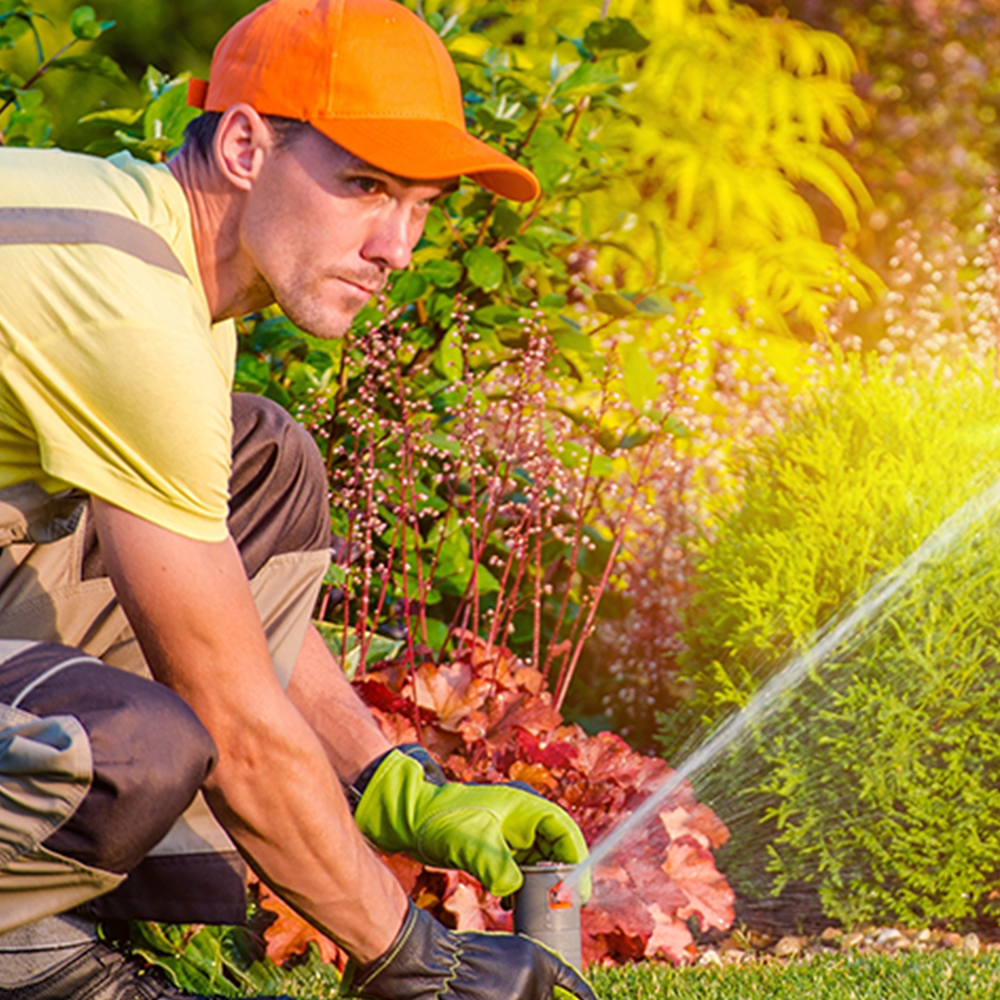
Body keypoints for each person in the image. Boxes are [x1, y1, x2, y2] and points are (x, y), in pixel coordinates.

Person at [0, 1, 597, 998]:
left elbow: (221, 615)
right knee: (129, 750)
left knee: (260, 462)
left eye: (421, 203)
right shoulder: (123, 297)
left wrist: (383, 782)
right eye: (364, 186)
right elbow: (229, 714)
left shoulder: (168, 273)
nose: (396, 246)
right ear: (243, 144)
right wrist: (415, 957)